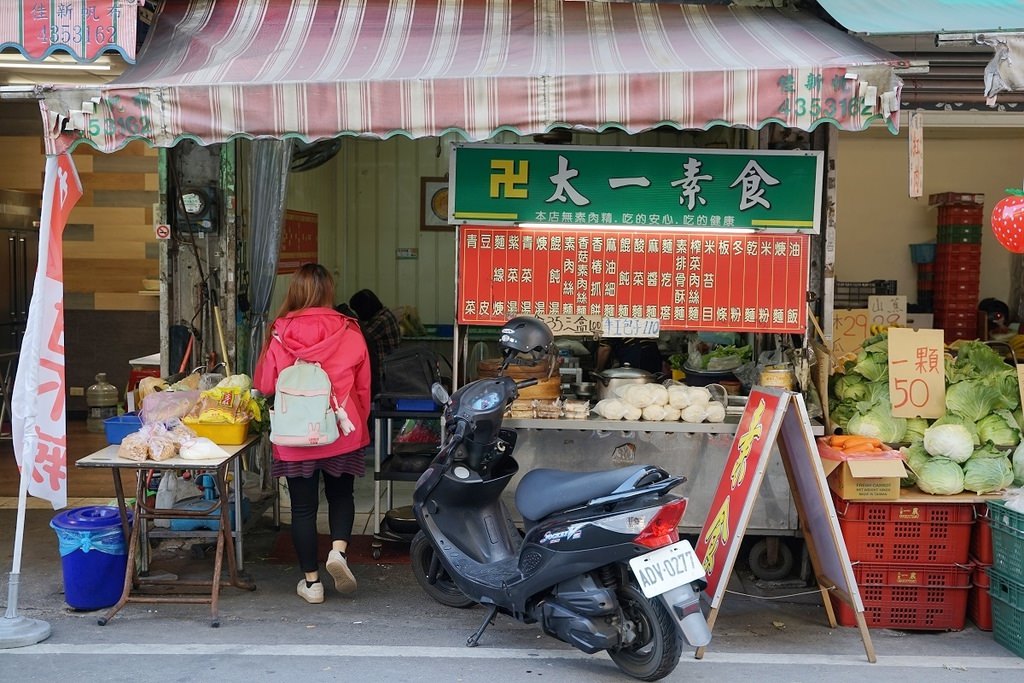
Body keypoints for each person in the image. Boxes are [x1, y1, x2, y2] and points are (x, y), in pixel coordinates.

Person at [254, 264, 371, 605]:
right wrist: (358, 426)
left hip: (295, 433)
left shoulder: (279, 332)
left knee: (303, 509)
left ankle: (312, 583)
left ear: (296, 291)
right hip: (341, 428)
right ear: (328, 292)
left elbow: (264, 385)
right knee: (341, 496)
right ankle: (338, 551)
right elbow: (363, 388)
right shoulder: (350, 331)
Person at [348, 288, 402, 397]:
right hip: (390, 370)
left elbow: (360, 337)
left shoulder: (381, 321)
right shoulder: (385, 315)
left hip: (385, 373)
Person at [595, 337, 663, 374]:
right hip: (652, 351)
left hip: (635, 355)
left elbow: (605, 348)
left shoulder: (610, 317)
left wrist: (599, 370)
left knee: (632, 387)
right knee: (653, 386)